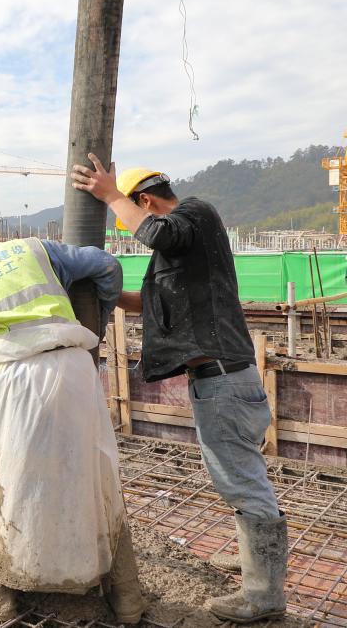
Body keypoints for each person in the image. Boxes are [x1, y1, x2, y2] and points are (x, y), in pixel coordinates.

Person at [72, 156, 287, 624]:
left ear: (146, 201)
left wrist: (109, 194)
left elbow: (158, 233)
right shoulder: (184, 256)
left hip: (224, 381)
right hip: (221, 381)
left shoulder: (196, 214)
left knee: (243, 482)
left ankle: (264, 594)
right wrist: (106, 294)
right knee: (241, 478)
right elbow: (152, 304)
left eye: (132, 210)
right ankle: (256, 561)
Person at [0, 220, 144, 623]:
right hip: (73, 365)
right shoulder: (36, 248)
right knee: (97, 471)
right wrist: (97, 320)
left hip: (14, 378)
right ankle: (127, 596)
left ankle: (4, 589)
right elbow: (107, 265)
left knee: (12, 479)